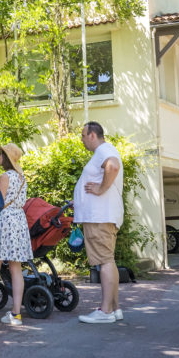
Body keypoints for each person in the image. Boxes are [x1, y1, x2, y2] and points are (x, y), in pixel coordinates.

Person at [74, 122, 124, 324]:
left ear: (92, 135)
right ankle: (113, 308)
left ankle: (105, 312)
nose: (82, 140)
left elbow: (113, 166)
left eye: (83, 135)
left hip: (99, 217)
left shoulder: (104, 150)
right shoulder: (105, 151)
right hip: (102, 216)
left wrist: (100, 189)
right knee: (107, 260)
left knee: (105, 261)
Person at [0, 143, 31, 326]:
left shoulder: (5, 176)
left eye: (0, 154)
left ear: (5, 158)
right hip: (19, 221)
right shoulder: (22, 177)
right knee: (16, 269)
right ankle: (16, 314)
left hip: (4, 221)